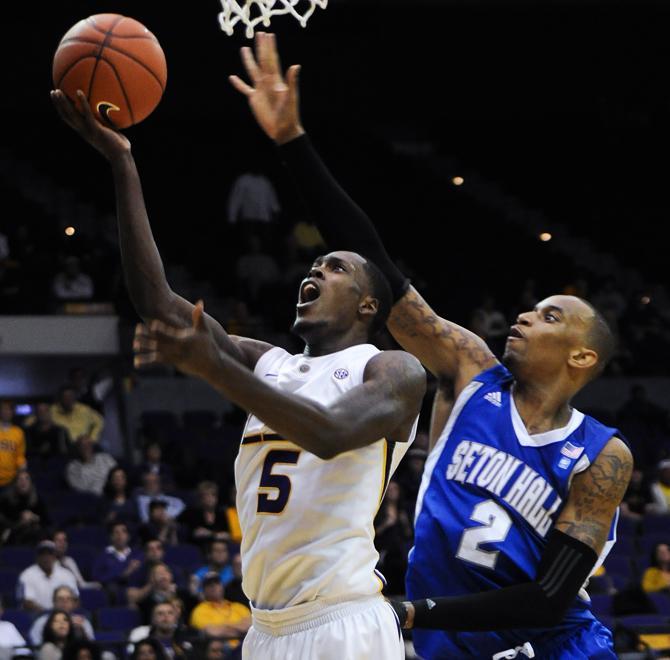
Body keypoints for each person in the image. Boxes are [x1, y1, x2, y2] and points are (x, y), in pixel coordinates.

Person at [229, 32, 634, 659]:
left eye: (550, 316)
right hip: (447, 645)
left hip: (555, 644)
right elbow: (384, 274)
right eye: (531, 308)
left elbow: (551, 596)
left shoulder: (602, 454)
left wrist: (416, 611)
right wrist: (293, 145)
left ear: (583, 357)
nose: (525, 316)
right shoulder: (472, 371)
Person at [52, 83, 425, 660]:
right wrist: (122, 163)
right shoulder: (268, 362)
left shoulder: (393, 370)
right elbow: (157, 302)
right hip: (264, 630)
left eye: (334, 267)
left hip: (343, 623)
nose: (316, 270)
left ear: (368, 305)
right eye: (313, 264)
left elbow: (327, 432)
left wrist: (216, 370)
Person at [189, 572, 251, 646]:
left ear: (222, 586)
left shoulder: (238, 607)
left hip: (245, 646)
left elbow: (251, 627)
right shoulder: (199, 611)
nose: (213, 586)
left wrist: (222, 627)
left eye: (216, 582)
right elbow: (211, 632)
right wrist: (240, 629)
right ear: (203, 590)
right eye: (209, 584)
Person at [18, 540, 79, 613]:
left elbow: (76, 599)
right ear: (37, 557)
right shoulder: (27, 575)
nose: (46, 557)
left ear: (54, 556)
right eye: (42, 554)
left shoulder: (67, 574)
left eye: (49, 554)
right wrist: (48, 614)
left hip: (64, 614)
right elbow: (27, 602)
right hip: (37, 615)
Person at [29, 586, 94, 647]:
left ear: (73, 603)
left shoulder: (83, 622)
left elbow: (91, 647)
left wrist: (82, 631)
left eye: (68, 599)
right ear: (54, 602)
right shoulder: (41, 622)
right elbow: (36, 645)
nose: (64, 602)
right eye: (60, 599)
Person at [0, 469, 50, 545]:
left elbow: (46, 521)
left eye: (26, 479)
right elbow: (3, 520)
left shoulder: (37, 500)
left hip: (32, 537)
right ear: (15, 483)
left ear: (30, 483)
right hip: (11, 536)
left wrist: (34, 517)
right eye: (20, 479)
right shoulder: (6, 499)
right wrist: (20, 519)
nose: (24, 482)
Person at [178, 480, 231, 547]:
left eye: (213, 495)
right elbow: (196, 533)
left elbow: (228, 535)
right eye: (207, 495)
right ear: (201, 498)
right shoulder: (191, 513)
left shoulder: (222, 514)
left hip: (219, 548)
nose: (210, 498)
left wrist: (210, 534)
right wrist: (217, 535)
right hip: (197, 548)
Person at [0, 400, 26, 489]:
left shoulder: (18, 432)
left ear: (13, 412)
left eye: (9, 409)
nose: (6, 412)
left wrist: (22, 469)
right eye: (4, 409)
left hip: (10, 480)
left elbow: (20, 455)